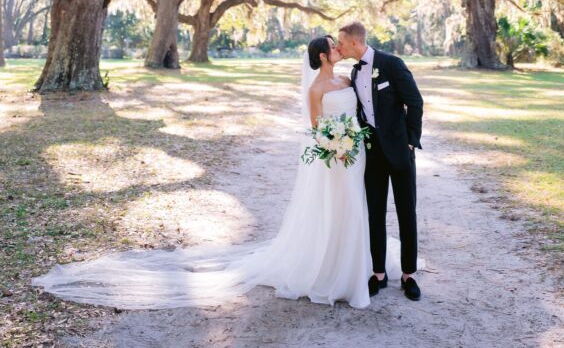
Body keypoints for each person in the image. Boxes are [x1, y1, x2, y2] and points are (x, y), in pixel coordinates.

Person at [32, 35, 407, 311]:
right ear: (325, 55)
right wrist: (333, 144)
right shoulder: (317, 88)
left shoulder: (349, 78)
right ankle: (332, 271)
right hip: (332, 161)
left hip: (354, 157)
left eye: (341, 44)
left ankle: (365, 267)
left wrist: (352, 141)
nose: (340, 48)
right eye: (334, 45)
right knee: (333, 210)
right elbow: (314, 129)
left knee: (358, 208)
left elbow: (364, 112)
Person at [337, 21, 424, 302]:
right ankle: (378, 274)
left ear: (355, 42)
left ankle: (409, 275)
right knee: (375, 213)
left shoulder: (392, 64)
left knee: (405, 212)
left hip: (400, 151)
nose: (339, 47)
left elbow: (415, 101)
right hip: (372, 152)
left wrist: (411, 140)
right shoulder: (354, 71)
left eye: (341, 42)